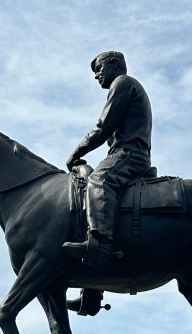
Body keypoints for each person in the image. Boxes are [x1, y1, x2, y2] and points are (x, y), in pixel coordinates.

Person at [62, 51, 152, 266]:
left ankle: (100, 244)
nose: (96, 76)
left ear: (113, 64)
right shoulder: (124, 85)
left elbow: (103, 127)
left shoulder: (122, 83)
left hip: (130, 154)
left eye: (99, 69)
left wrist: (77, 151)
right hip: (124, 153)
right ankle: (91, 292)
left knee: (98, 181)